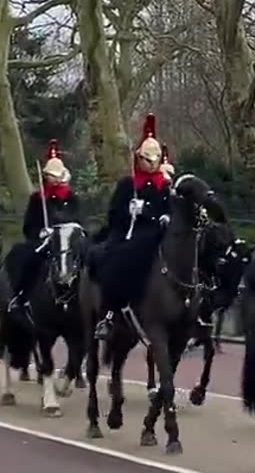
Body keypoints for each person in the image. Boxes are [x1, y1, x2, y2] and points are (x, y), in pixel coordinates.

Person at [93, 113, 174, 341]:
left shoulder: (165, 185)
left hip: (159, 234)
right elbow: (113, 214)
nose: (151, 163)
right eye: (147, 159)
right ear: (139, 159)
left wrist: (166, 217)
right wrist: (129, 211)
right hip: (130, 235)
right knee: (118, 262)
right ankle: (108, 313)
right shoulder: (128, 184)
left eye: (155, 159)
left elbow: (170, 209)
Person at [7, 140, 82, 316]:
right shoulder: (37, 198)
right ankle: (21, 296)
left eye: (57, 175)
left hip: (68, 241)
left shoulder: (71, 197)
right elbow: (28, 226)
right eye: (51, 175)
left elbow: (77, 219)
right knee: (30, 259)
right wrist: (40, 232)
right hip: (44, 241)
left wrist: (67, 228)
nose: (54, 179)